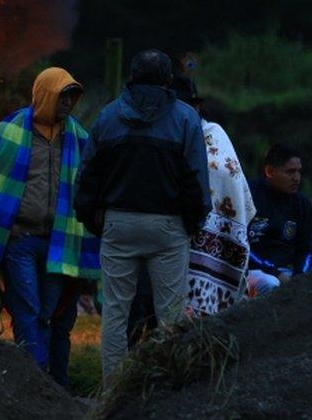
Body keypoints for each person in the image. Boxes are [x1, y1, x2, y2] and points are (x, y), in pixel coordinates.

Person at [74, 49, 211, 381]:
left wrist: (97, 221)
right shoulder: (186, 119)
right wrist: (190, 224)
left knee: (116, 316)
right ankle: (166, 395)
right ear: (167, 81)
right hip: (168, 227)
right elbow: (197, 182)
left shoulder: (107, 117)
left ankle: (112, 397)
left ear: (131, 78)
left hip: (118, 224)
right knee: (171, 318)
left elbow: (87, 178)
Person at [0, 67, 99, 388]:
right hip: (21, 240)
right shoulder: (9, 131)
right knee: (26, 310)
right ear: (45, 95)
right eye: (62, 96)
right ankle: (36, 384)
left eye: (72, 97)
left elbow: (90, 187)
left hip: (60, 244)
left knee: (50, 315)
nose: (68, 103)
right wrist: (3, 230)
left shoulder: (79, 137)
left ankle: (54, 386)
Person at [246, 144, 312, 295]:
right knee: (271, 286)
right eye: (290, 172)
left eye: (299, 171)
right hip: (252, 270)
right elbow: (242, 246)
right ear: (270, 171)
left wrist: (300, 276)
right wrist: (275, 273)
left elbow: (308, 248)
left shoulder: (302, 204)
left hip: (289, 273)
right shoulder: (248, 196)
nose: (296, 178)